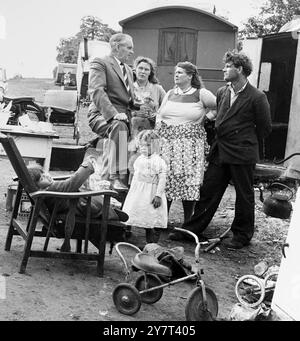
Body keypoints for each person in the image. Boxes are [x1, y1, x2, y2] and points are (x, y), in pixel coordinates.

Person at [171, 50, 272, 249]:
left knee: (244, 196)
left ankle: (242, 235)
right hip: (221, 149)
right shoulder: (222, 92)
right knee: (208, 190)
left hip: (242, 152)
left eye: (228, 66)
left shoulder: (257, 96)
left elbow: (264, 128)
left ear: (240, 69)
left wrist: (244, 140)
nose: (223, 69)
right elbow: (220, 118)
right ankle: (191, 229)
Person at [155, 61, 216, 227]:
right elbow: (160, 114)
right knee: (166, 178)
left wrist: (206, 118)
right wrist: (159, 129)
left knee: (188, 180)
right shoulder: (169, 93)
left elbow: (219, 106)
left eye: (180, 72)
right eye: (176, 72)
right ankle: (163, 219)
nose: (176, 75)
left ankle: (188, 222)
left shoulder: (201, 93)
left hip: (190, 145)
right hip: (167, 143)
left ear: (190, 76)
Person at [27, 156, 129, 250]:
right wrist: (87, 165)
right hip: (82, 210)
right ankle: (112, 213)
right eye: (42, 178)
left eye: (44, 173)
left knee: (88, 194)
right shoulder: (51, 190)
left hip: (75, 207)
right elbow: (72, 182)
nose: (46, 176)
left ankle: (113, 212)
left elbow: (69, 184)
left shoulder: (47, 191)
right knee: (93, 199)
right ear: (38, 187)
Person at [88, 33, 135, 191]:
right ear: (116, 46)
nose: (131, 52)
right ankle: (115, 177)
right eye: (129, 47)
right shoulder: (100, 63)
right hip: (102, 114)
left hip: (124, 117)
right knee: (119, 127)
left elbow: (128, 99)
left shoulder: (128, 69)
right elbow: (97, 91)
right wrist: (114, 114)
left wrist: (144, 107)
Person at [122, 130, 168, 244]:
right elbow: (136, 175)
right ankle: (127, 231)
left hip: (152, 192)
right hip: (139, 191)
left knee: (151, 216)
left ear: (156, 145)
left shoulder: (159, 161)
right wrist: (132, 191)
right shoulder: (139, 159)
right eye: (142, 145)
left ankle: (151, 244)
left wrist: (158, 195)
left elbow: (162, 179)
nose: (144, 148)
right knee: (135, 211)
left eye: (147, 145)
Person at [128, 56, 166, 183]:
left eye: (146, 69)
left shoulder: (157, 89)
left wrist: (155, 115)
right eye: (140, 68)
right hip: (132, 130)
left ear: (150, 72)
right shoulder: (128, 87)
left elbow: (166, 108)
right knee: (131, 160)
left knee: (149, 163)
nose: (143, 71)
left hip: (151, 132)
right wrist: (134, 112)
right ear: (135, 70)